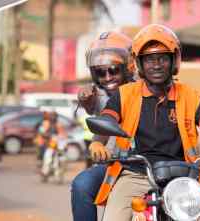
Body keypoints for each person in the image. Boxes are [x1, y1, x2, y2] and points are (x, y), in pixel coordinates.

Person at [89, 24, 200, 221]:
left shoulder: (191, 96)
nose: (156, 65)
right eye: (149, 59)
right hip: (136, 174)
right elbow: (107, 120)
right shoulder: (125, 94)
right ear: (139, 64)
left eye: (162, 58)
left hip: (182, 176)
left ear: (174, 61)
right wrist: (97, 143)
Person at [71, 31, 135, 221]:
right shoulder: (99, 95)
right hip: (114, 165)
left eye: (114, 69)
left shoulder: (144, 88)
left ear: (129, 66)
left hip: (152, 163)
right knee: (81, 185)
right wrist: (84, 98)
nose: (107, 77)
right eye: (100, 72)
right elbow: (89, 103)